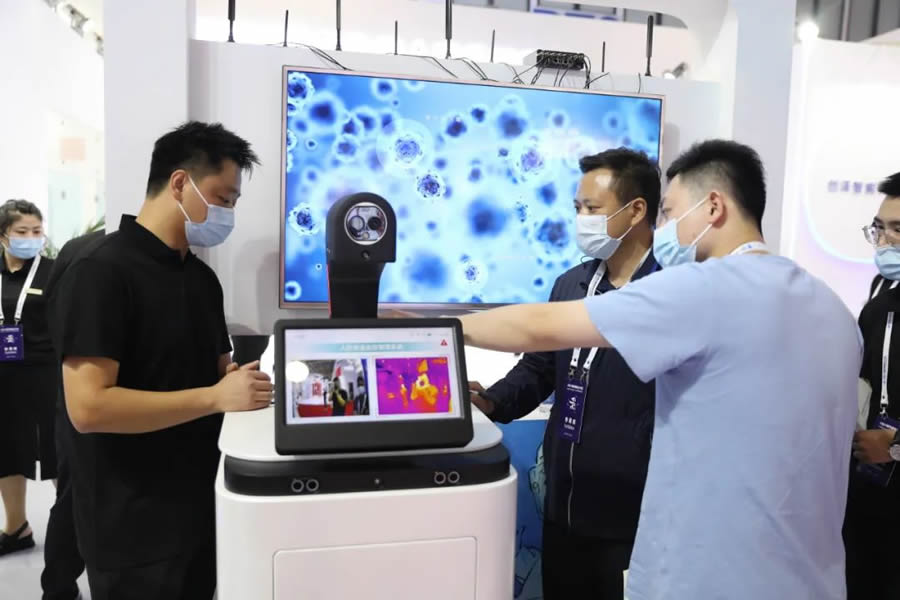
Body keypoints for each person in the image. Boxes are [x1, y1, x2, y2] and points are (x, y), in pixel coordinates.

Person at [449, 140, 862, 600]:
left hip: (707, 570)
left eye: (668, 212)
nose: (664, 229)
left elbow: (536, 328)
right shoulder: (834, 309)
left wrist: (441, 332)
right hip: (807, 574)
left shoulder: (700, 289)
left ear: (713, 207)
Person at [50, 121, 274, 600]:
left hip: (199, 507)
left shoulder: (201, 279)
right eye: (223, 198)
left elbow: (215, 371)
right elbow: (88, 408)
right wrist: (214, 397)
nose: (228, 214)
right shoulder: (101, 272)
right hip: (131, 524)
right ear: (179, 183)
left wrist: (238, 383)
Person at [468, 148, 659, 600]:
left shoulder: (669, 291)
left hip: (634, 520)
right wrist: (492, 400)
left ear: (636, 211)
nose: (581, 220)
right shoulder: (572, 284)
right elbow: (539, 366)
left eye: (592, 208)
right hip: (565, 509)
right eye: (577, 208)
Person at [41, 229, 106, 600]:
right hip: (88, 401)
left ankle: (57, 587)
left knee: (69, 494)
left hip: (68, 389)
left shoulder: (78, 251)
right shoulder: (100, 258)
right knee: (74, 498)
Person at [846, 171, 900, 600]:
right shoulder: (881, 293)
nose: (885, 241)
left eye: (898, 230)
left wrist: (895, 446)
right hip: (871, 491)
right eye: (880, 228)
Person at [0, 199, 57, 557]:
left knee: (56, 450)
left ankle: (77, 529)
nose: (31, 238)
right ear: (3, 235)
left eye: (37, 231)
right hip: (4, 375)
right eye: (22, 231)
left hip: (46, 373)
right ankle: (17, 528)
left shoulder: (54, 271)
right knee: (6, 450)